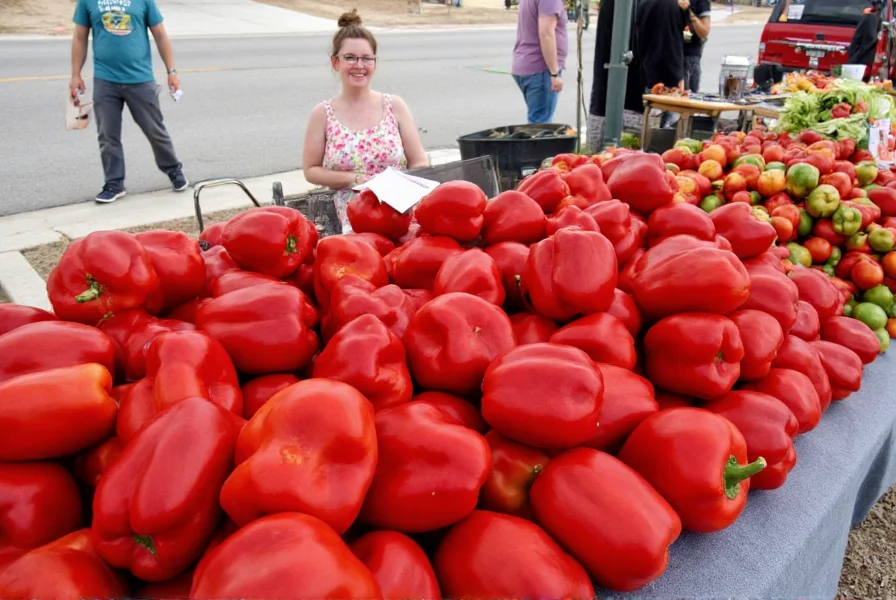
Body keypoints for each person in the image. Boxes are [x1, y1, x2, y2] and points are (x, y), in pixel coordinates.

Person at [302, 10, 429, 234]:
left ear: (374, 63)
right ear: (335, 62)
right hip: (351, 217)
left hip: (399, 212)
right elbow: (311, 170)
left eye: (366, 58)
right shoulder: (323, 113)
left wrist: (401, 187)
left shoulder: (394, 106)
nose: (359, 65)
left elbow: (419, 162)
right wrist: (356, 179)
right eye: (350, 57)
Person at [70, 0, 187, 204]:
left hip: (140, 79)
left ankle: (173, 170)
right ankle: (114, 183)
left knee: (154, 130)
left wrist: (171, 71)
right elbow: (80, 37)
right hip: (105, 80)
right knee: (107, 135)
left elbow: (159, 33)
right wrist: (75, 74)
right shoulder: (87, 2)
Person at [511, 0, 569, 124]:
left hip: (526, 63)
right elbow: (546, 33)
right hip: (541, 68)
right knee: (540, 125)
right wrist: (554, 73)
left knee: (537, 119)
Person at [679, 0, 711, 93]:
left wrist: (689, 12)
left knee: (688, 100)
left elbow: (704, 32)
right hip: (667, 55)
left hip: (689, 57)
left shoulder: (700, 2)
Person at [846, 0, 884, 78]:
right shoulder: (871, 17)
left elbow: (869, 38)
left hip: (860, 56)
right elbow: (870, 38)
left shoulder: (872, 17)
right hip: (861, 56)